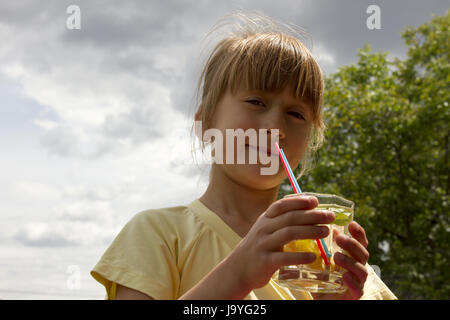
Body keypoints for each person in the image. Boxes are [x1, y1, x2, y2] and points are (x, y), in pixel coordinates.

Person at [90, 11, 397, 300]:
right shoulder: (156, 235)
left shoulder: (333, 257)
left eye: (295, 113)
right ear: (206, 123)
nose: (276, 127)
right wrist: (237, 275)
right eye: (256, 102)